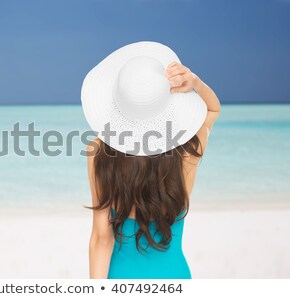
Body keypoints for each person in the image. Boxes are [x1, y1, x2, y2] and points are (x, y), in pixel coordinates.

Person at [81, 41, 221, 279]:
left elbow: (101, 239)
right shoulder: (189, 148)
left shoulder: (99, 153)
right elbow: (212, 110)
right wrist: (195, 82)